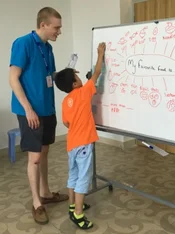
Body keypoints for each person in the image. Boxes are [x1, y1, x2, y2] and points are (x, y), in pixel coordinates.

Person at [8, 7, 69, 225]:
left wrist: (66, 75)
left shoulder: (48, 48)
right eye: (56, 27)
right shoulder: (23, 43)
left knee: (43, 153)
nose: (59, 31)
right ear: (43, 25)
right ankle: (37, 203)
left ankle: (46, 192)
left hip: (46, 109)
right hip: (30, 111)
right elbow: (13, 78)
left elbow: (49, 75)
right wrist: (28, 109)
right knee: (34, 158)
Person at [54, 42, 106, 230]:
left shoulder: (66, 100)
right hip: (84, 144)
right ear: (75, 83)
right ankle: (78, 214)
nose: (79, 77)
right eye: (77, 75)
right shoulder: (83, 92)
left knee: (73, 175)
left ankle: (72, 203)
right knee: (84, 177)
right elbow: (97, 73)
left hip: (72, 144)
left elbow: (66, 123)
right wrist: (100, 54)